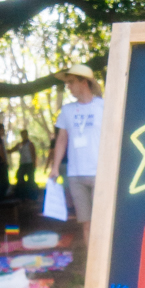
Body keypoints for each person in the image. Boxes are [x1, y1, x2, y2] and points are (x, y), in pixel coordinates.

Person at [49, 63, 104, 244]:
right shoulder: (67, 110)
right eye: (67, 83)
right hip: (75, 175)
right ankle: (92, 265)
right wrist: (55, 167)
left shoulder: (103, 106)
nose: (69, 86)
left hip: (100, 172)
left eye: (71, 82)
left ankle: (106, 265)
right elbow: (62, 139)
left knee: (102, 221)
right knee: (86, 223)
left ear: (84, 82)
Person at [10, 129, 38, 199]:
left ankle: (32, 196)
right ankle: (21, 195)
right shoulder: (20, 145)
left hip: (29, 164)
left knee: (30, 180)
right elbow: (11, 150)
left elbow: (33, 155)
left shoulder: (30, 144)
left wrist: (34, 165)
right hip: (23, 164)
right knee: (20, 178)